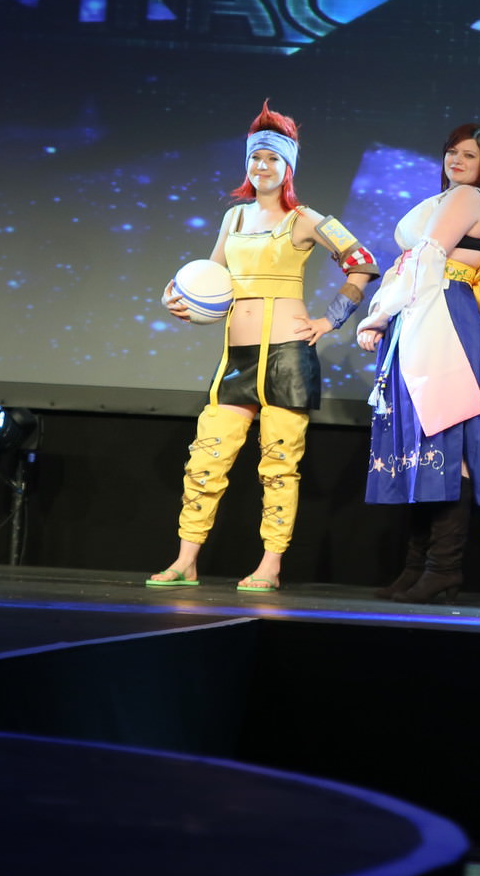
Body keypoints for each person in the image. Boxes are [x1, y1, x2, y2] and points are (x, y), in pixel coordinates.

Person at [151, 102, 378, 591]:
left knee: (279, 465)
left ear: (288, 165)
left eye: (273, 158)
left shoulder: (304, 219)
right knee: (205, 460)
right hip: (236, 360)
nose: (262, 166)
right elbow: (211, 279)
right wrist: (181, 302)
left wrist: (331, 319)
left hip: (286, 358)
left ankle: (270, 566)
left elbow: (362, 262)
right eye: (256, 157)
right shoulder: (233, 218)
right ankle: (186, 561)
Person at [355, 124, 480, 604]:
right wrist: (387, 315)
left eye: (469, 155)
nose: (457, 160)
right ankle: (418, 567)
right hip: (423, 312)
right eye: (451, 152)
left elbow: (425, 257)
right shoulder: (447, 198)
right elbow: (414, 264)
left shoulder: (467, 197)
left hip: (443, 317)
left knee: (445, 437)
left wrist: (377, 315)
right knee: (420, 443)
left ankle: (443, 569)